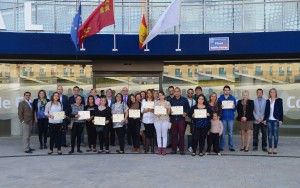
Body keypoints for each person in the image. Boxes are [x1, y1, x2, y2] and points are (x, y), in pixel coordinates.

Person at [170, 87, 190, 155]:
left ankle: (181, 150)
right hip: (173, 119)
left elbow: (188, 109)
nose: (176, 92)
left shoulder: (184, 100)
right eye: (175, 91)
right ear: (174, 92)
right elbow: (169, 110)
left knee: (181, 135)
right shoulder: (171, 100)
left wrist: (185, 113)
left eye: (178, 91)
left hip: (181, 119)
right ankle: (174, 150)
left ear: (180, 92)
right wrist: (170, 111)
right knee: (174, 135)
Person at [264, 88, 283, 155]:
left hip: (276, 120)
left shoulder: (279, 100)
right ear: (269, 93)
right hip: (269, 120)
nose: (272, 93)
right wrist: (264, 119)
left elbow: (281, 110)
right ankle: (270, 148)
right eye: (271, 92)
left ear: (276, 93)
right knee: (269, 135)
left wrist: (281, 120)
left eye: (274, 92)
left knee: (275, 135)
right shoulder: (267, 101)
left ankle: (275, 148)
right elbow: (266, 111)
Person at [218, 85, 237, 152]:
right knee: (222, 133)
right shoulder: (220, 98)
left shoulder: (232, 98)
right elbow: (218, 108)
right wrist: (220, 106)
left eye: (227, 90)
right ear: (223, 91)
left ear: (229, 91)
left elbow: (235, 109)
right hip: (223, 118)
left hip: (230, 118)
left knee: (230, 133)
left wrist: (234, 107)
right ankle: (221, 146)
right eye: (225, 90)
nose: (226, 91)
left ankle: (231, 146)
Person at [154, 91, 171, 155]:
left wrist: (166, 108)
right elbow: (155, 111)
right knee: (158, 135)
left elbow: (169, 113)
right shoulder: (156, 102)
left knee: (164, 135)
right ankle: (159, 149)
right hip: (157, 120)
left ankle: (164, 149)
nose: (160, 96)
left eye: (161, 95)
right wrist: (157, 113)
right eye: (159, 95)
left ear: (164, 96)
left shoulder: (167, 103)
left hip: (165, 120)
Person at [141, 89, 156, 153]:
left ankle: (152, 149)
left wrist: (152, 110)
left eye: (150, 93)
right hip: (146, 120)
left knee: (152, 134)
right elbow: (142, 111)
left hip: (152, 120)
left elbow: (157, 111)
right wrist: (146, 110)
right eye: (148, 93)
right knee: (147, 134)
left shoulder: (155, 101)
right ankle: (147, 149)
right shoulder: (144, 101)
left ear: (152, 94)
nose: (149, 94)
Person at [186, 88, 196, 153]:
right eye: (189, 93)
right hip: (185, 118)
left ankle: (190, 146)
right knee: (181, 133)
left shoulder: (194, 101)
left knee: (190, 133)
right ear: (187, 93)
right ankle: (179, 145)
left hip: (191, 119)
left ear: (193, 93)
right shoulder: (184, 100)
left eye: (191, 93)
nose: (190, 94)